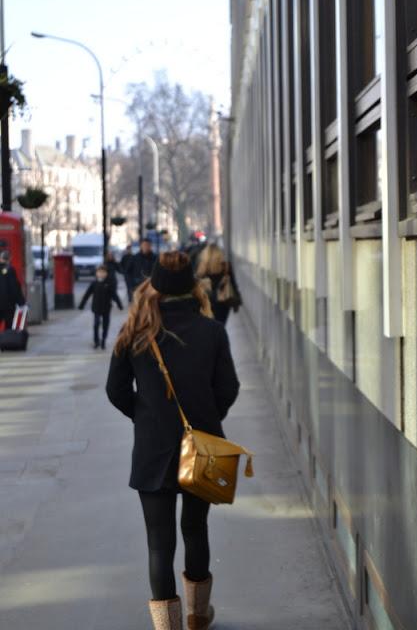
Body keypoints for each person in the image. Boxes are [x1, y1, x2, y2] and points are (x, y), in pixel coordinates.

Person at [106, 251, 239, 630]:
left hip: (152, 450)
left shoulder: (134, 331)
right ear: (191, 288)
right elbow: (228, 388)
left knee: (158, 544)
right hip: (202, 448)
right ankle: (198, 615)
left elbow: (115, 390)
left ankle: (168, 626)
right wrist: (207, 420)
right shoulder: (212, 331)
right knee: (196, 530)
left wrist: (146, 416)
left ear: (155, 286)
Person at [78, 265, 123, 349]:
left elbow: (114, 295)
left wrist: (119, 305)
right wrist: (82, 305)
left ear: (106, 273)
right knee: (96, 324)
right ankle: (96, 341)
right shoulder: (94, 283)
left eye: (103, 272)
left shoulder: (109, 283)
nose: (101, 274)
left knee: (105, 325)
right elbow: (87, 294)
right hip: (96, 307)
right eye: (99, 272)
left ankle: (103, 340)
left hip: (106, 308)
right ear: (96, 273)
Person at [196, 244, 241, 325]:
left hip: (207, 303)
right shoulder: (226, 266)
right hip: (223, 303)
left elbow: (197, 287)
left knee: (209, 327)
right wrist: (237, 301)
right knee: (221, 326)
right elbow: (233, 284)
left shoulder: (202, 269)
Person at [0, 250, 25, 329]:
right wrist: (21, 302)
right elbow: (14, 287)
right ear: (10, 259)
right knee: (9, 326)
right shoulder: (10, 269)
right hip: (8, 305)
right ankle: (6, 340)